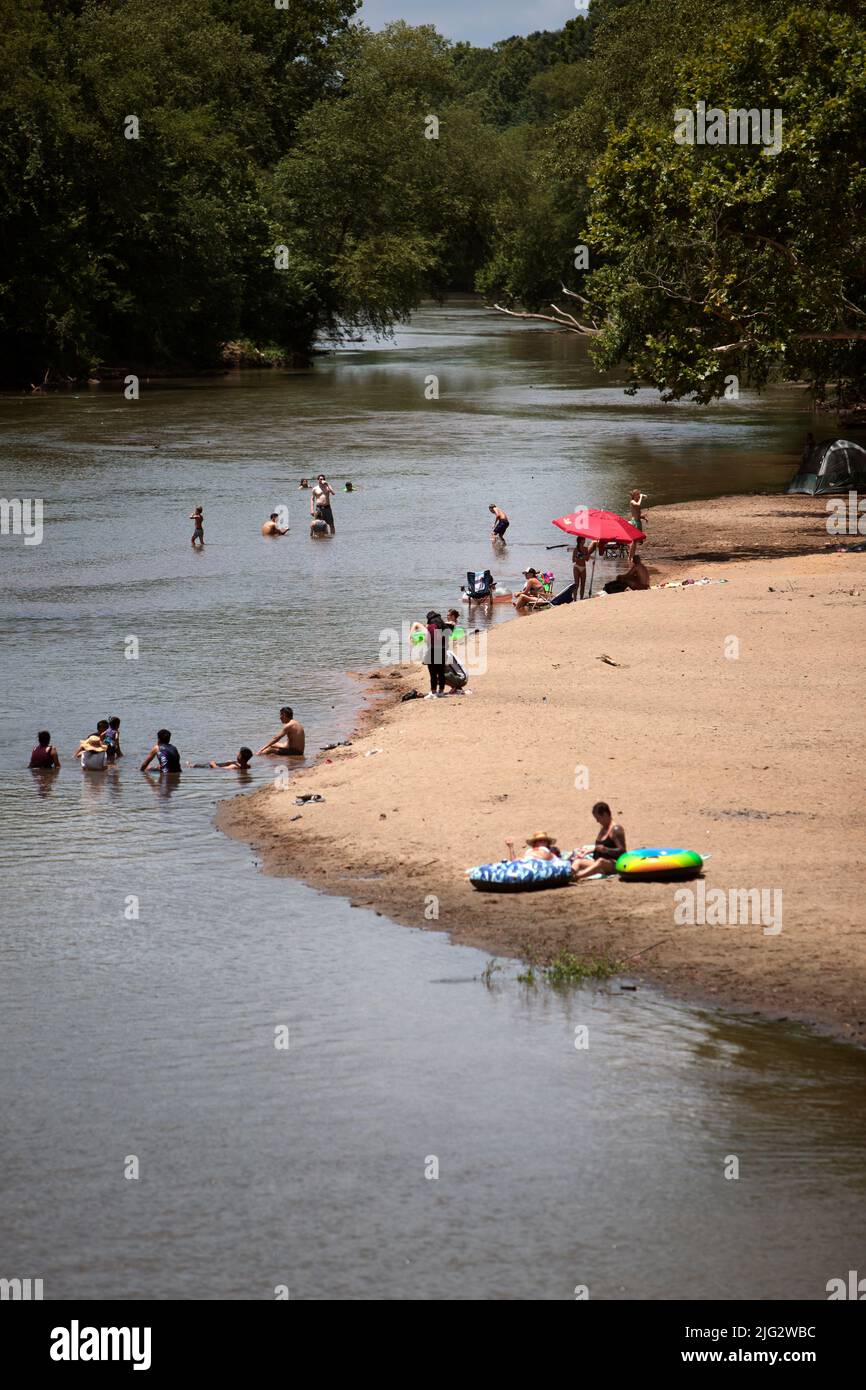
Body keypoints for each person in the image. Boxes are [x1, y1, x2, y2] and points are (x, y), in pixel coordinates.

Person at [571, 802, 626, 880]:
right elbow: (601, 846)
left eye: (598, 818)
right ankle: (568, 875)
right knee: (578, 861)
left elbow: (622, 851)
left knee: (601, 861)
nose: (597, 821)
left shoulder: (616, 829)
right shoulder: (603, 828)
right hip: (597, 863)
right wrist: (589, 850)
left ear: (605, 814)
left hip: (613, 864)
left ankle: (576, 876)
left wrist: (605, 850)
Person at [424, 611, 449, 697]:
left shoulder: (431, 627)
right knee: (441, 673)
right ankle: (441, 691)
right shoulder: (444, 627)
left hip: (433, 651)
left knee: (433, 674)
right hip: (442, 651)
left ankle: (433, 693)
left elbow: (428, 640)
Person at [189, 747, 253, 770]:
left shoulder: (234, 767)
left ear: (240, 757)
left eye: (238, 753)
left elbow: (219, 769)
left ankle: (189, 765)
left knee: (195, 766)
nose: (237, 753)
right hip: (221, 764)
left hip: (209, 766)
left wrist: (213, 764)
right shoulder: (248, 766)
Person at [628, 489, 647, 561]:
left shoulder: (637, 500)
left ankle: (631, 556)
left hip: (638, 521)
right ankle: (630, 557)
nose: (639, 496)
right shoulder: (632, 501)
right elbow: (638, 505)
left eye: (639, 494)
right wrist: (641, 497)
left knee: (635, 542)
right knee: (634, 541)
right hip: (635, 522)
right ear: (633, 496)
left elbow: (636, 513)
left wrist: (643, 517)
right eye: (637, 494)